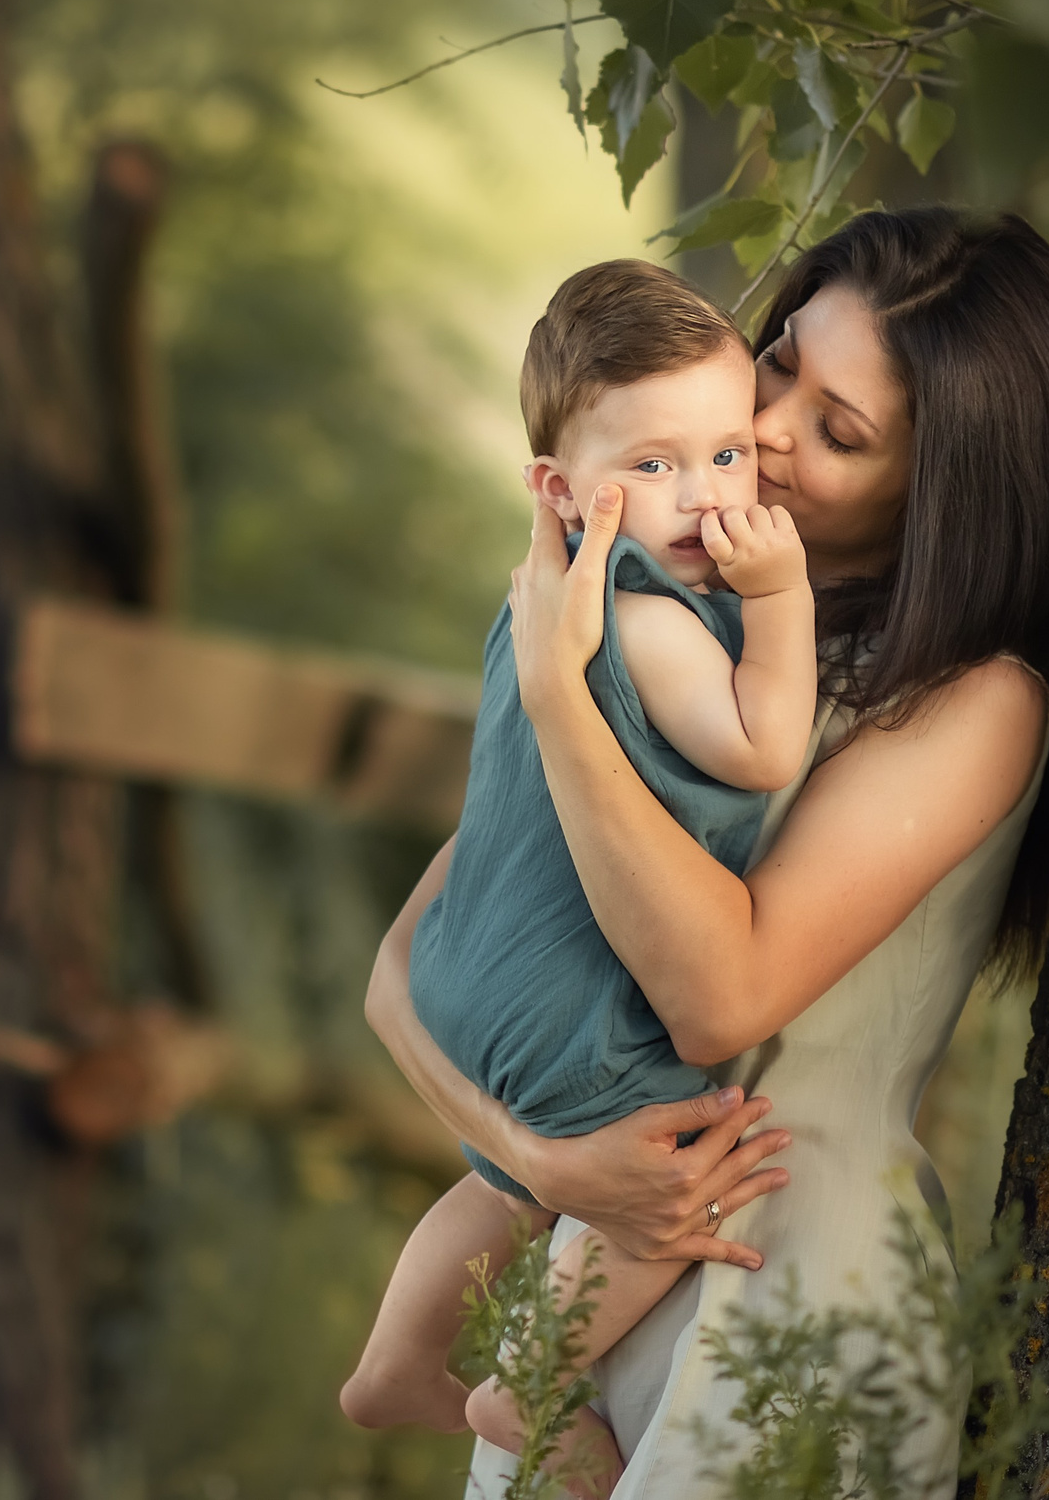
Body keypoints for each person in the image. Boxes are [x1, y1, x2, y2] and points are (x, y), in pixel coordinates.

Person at [365, 209, 1049, 1496]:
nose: (764, 430)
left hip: (791, 1279)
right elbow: (403, 968)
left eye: (839, 430)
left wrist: (558, 699)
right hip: (595, 1267)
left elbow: (720, 994)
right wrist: (538, 1158)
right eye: (779, 361)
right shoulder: (663, 624)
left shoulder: (968, 703)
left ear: (945, 482)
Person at [337, 259, 819, 1492]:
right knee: (655, 1183)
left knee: (500, 1182)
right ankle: (527, 1379)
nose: (704, 499)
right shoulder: (655, 620)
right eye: (650, 467)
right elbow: (763, 746)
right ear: (559, 488)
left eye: (725, 454)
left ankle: (395, 1363)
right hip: (567, 1008)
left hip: (468, 955)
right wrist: (781, 592)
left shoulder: (543, 596)